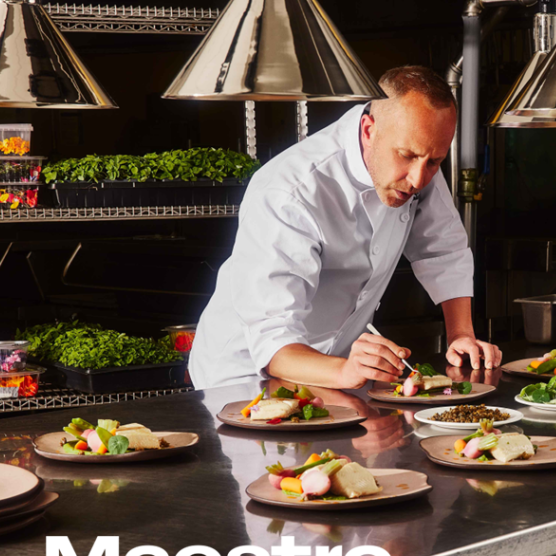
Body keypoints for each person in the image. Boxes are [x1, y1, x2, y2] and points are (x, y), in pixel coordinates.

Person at [190, 66, 500, 389]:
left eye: (435, 161)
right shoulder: (289, 192)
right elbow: (273, 346)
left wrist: (461, 335)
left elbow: (444, 250)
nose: (419, 179)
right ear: (368, 130)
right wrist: (345, 372)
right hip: (239, 378)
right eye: (406, 156)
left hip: (330, 371)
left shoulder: (417, 166)